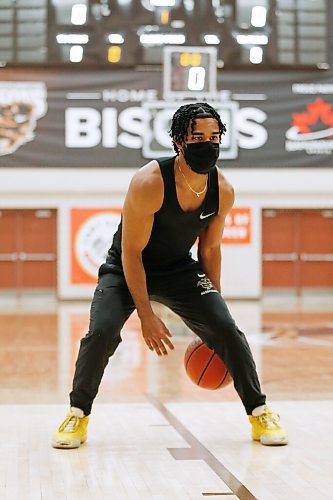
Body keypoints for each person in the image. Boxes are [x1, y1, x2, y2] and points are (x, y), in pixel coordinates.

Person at [52, 102, 288, 449]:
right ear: (179, 141)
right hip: (126, 269)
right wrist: (146, 316)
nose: (207, 144)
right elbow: (132, 253)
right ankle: (77, 414)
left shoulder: (222, 189)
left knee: (227, 330)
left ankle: (259, 412)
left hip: (179, 269)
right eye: (198, 137)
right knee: (100, 333)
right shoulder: (149, 182)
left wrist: (214, 310)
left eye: (214, 137)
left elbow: (209, 250)